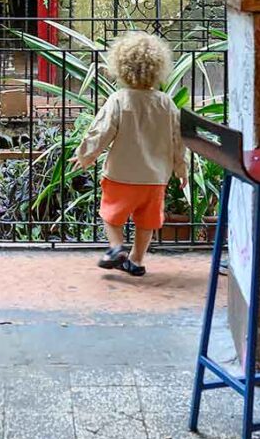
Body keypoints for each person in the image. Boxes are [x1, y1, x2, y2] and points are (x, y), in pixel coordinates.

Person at [72, 31, 187, 277]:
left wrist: (86, 154)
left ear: (121, 68)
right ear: (158, 68)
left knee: (112, 215)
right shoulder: (166, 103)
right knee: (147, 221)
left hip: (121, 174)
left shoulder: (119, 100)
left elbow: (100, 131)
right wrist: (181, 168)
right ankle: (136, 260)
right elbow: (179, 139)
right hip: (155, 177)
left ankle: (116, 248)